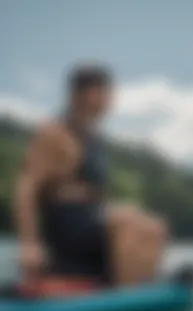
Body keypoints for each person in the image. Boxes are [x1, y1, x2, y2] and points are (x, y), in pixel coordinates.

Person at [13, 63, 168, 297]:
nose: (108, 100)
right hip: (65, 226)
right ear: (79, 94)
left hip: (91, 221)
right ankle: (125, 299)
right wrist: (30, 245)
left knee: (154, 226)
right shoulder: (55, 133)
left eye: (109, 93)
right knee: (126, 219)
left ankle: (135, 287)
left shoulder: (94, 137)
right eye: (103, 93)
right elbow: (26, 188)